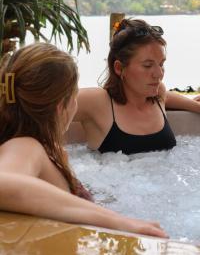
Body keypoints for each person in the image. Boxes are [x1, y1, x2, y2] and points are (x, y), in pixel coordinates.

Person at [0, 42, 168, 238]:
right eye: (75, 94)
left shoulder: (46, 149)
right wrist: (119, 221)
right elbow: (4, 182)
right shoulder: (25, 146)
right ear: (62, 105)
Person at [71, 18, 200, 154]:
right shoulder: (98, 102)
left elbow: (167, 97)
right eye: (147, 65)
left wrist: (195, 106)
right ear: (119, 68)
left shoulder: (157, 93)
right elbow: (50, 106)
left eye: (161, 64)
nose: (159, 74)